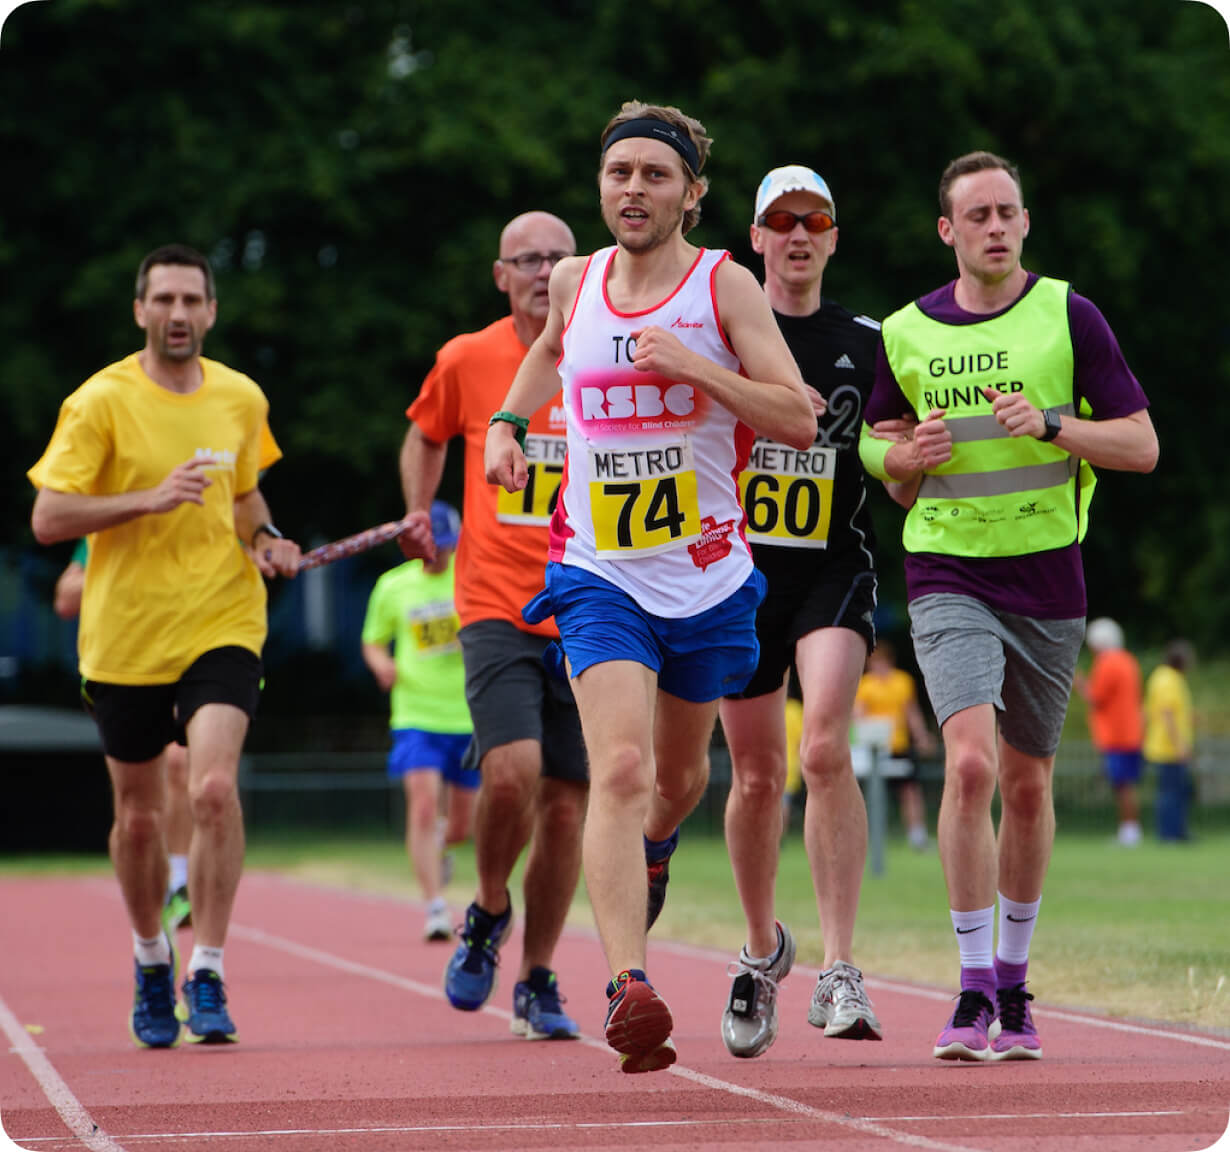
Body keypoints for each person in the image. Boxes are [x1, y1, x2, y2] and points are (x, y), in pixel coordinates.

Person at [485, 103, 817, 1073]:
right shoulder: (573, 279)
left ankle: (658, 848)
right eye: (619, 173)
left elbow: (799, 420)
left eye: (655, 176)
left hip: (708, 578)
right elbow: (547, 352)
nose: (634, 189)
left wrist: (698, 370)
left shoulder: (727, 288)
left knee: (676, 783)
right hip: (598, 570)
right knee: (618, 773)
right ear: (601, 184)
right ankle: (629, 987)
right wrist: (509, 422)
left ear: (693, 196)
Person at [863, 151, 1158, 1063]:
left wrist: (1057, 425)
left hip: (1047, 580)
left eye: (1008, 211)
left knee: (1028, 784)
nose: (995, 225)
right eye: (977, 214)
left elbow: (1142, 446)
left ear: (1025, 223)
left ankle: (1018, 987)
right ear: (947, 231)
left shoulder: (1069, 315)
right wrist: (905, 461)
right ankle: (970, 989)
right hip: (948, 573)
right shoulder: (907, 332)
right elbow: (878, 446)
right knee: (969, 768)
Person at [28, 244, 342, 1050]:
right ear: (140, 310)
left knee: (209, 789)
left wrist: (267, 536)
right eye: (163, 299)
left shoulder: (239, 396)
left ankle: (207, 967)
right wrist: (147, 499)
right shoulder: (98, 401)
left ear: (210, 310)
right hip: (126, 636)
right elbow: (50, 519)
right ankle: (149, 960)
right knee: (137, 820)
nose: (177, 314)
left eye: (191, 300)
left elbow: (245, 493)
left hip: (222, 620)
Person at [399, 211, 589, 1042]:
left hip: (591, 602)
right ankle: (486, 907)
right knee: (511, 773)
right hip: (495, 604)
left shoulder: (602, 349)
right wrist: (416, 512)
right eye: (528, 259)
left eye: (557, 257)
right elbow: (423, 435)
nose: (544, 270)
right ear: (501, 274)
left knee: (569, 806)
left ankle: (538, 976)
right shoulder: (469, 358)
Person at [716, 164, 886, 1060]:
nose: (796, 235)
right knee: (752, 775)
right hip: (736, 578)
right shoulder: (721, 329)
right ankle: (759, 952)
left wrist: (916, 455)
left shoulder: (867, 339)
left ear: (830, 236)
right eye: (779, 221)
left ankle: (840, 967)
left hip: (831, 571)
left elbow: (896, 449)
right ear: (754, 238)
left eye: (812, 220)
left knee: (822, 747)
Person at [55, 541, 196, 930]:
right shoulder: (109, 529)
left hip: (185, 660)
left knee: (181, 765)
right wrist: (122, 575)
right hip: (124, 667)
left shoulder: (205, 517)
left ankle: (180, 882)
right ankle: (147, 927)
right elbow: (66, 600)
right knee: (135, 810)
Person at [361, 500, 477, 941]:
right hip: (416, 714)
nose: (439, 556)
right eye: (433, 548)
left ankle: (442, 847)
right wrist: (380, 666)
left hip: (466, 714)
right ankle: (434, 907)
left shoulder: (469, 580)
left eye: (447, 547)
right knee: (424, 804)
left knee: (462, 827)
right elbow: (373, 641)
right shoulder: (392, 587)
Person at [854, 638, 937, 851]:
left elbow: (911, 712)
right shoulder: (865, 684)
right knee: (868, 792)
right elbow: (858, 715)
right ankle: (864, 834)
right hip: (873, 747)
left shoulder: (902, 681)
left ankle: (916, 833)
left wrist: (920, 736)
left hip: (898, 744)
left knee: (910, 789)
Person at [1074, 617, 1144, 846]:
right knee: (1127, 783)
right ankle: (1130, 829)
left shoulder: (1107, 663)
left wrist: (1080, 684)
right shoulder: (1128, 660)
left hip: (1117, 735)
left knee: (1122, 784)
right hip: (1132, 731)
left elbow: (1096, 698)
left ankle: (1130, 831)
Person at [1144, 639, 1195, 842]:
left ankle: (1177, 831)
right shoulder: (1169, 680)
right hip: (1168, 747)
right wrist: (1180, 745)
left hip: (1166, 745)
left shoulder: (1162, 676)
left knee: (1176, 791)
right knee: (1171, 793)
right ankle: (1169, 834)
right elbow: (1167, 714)